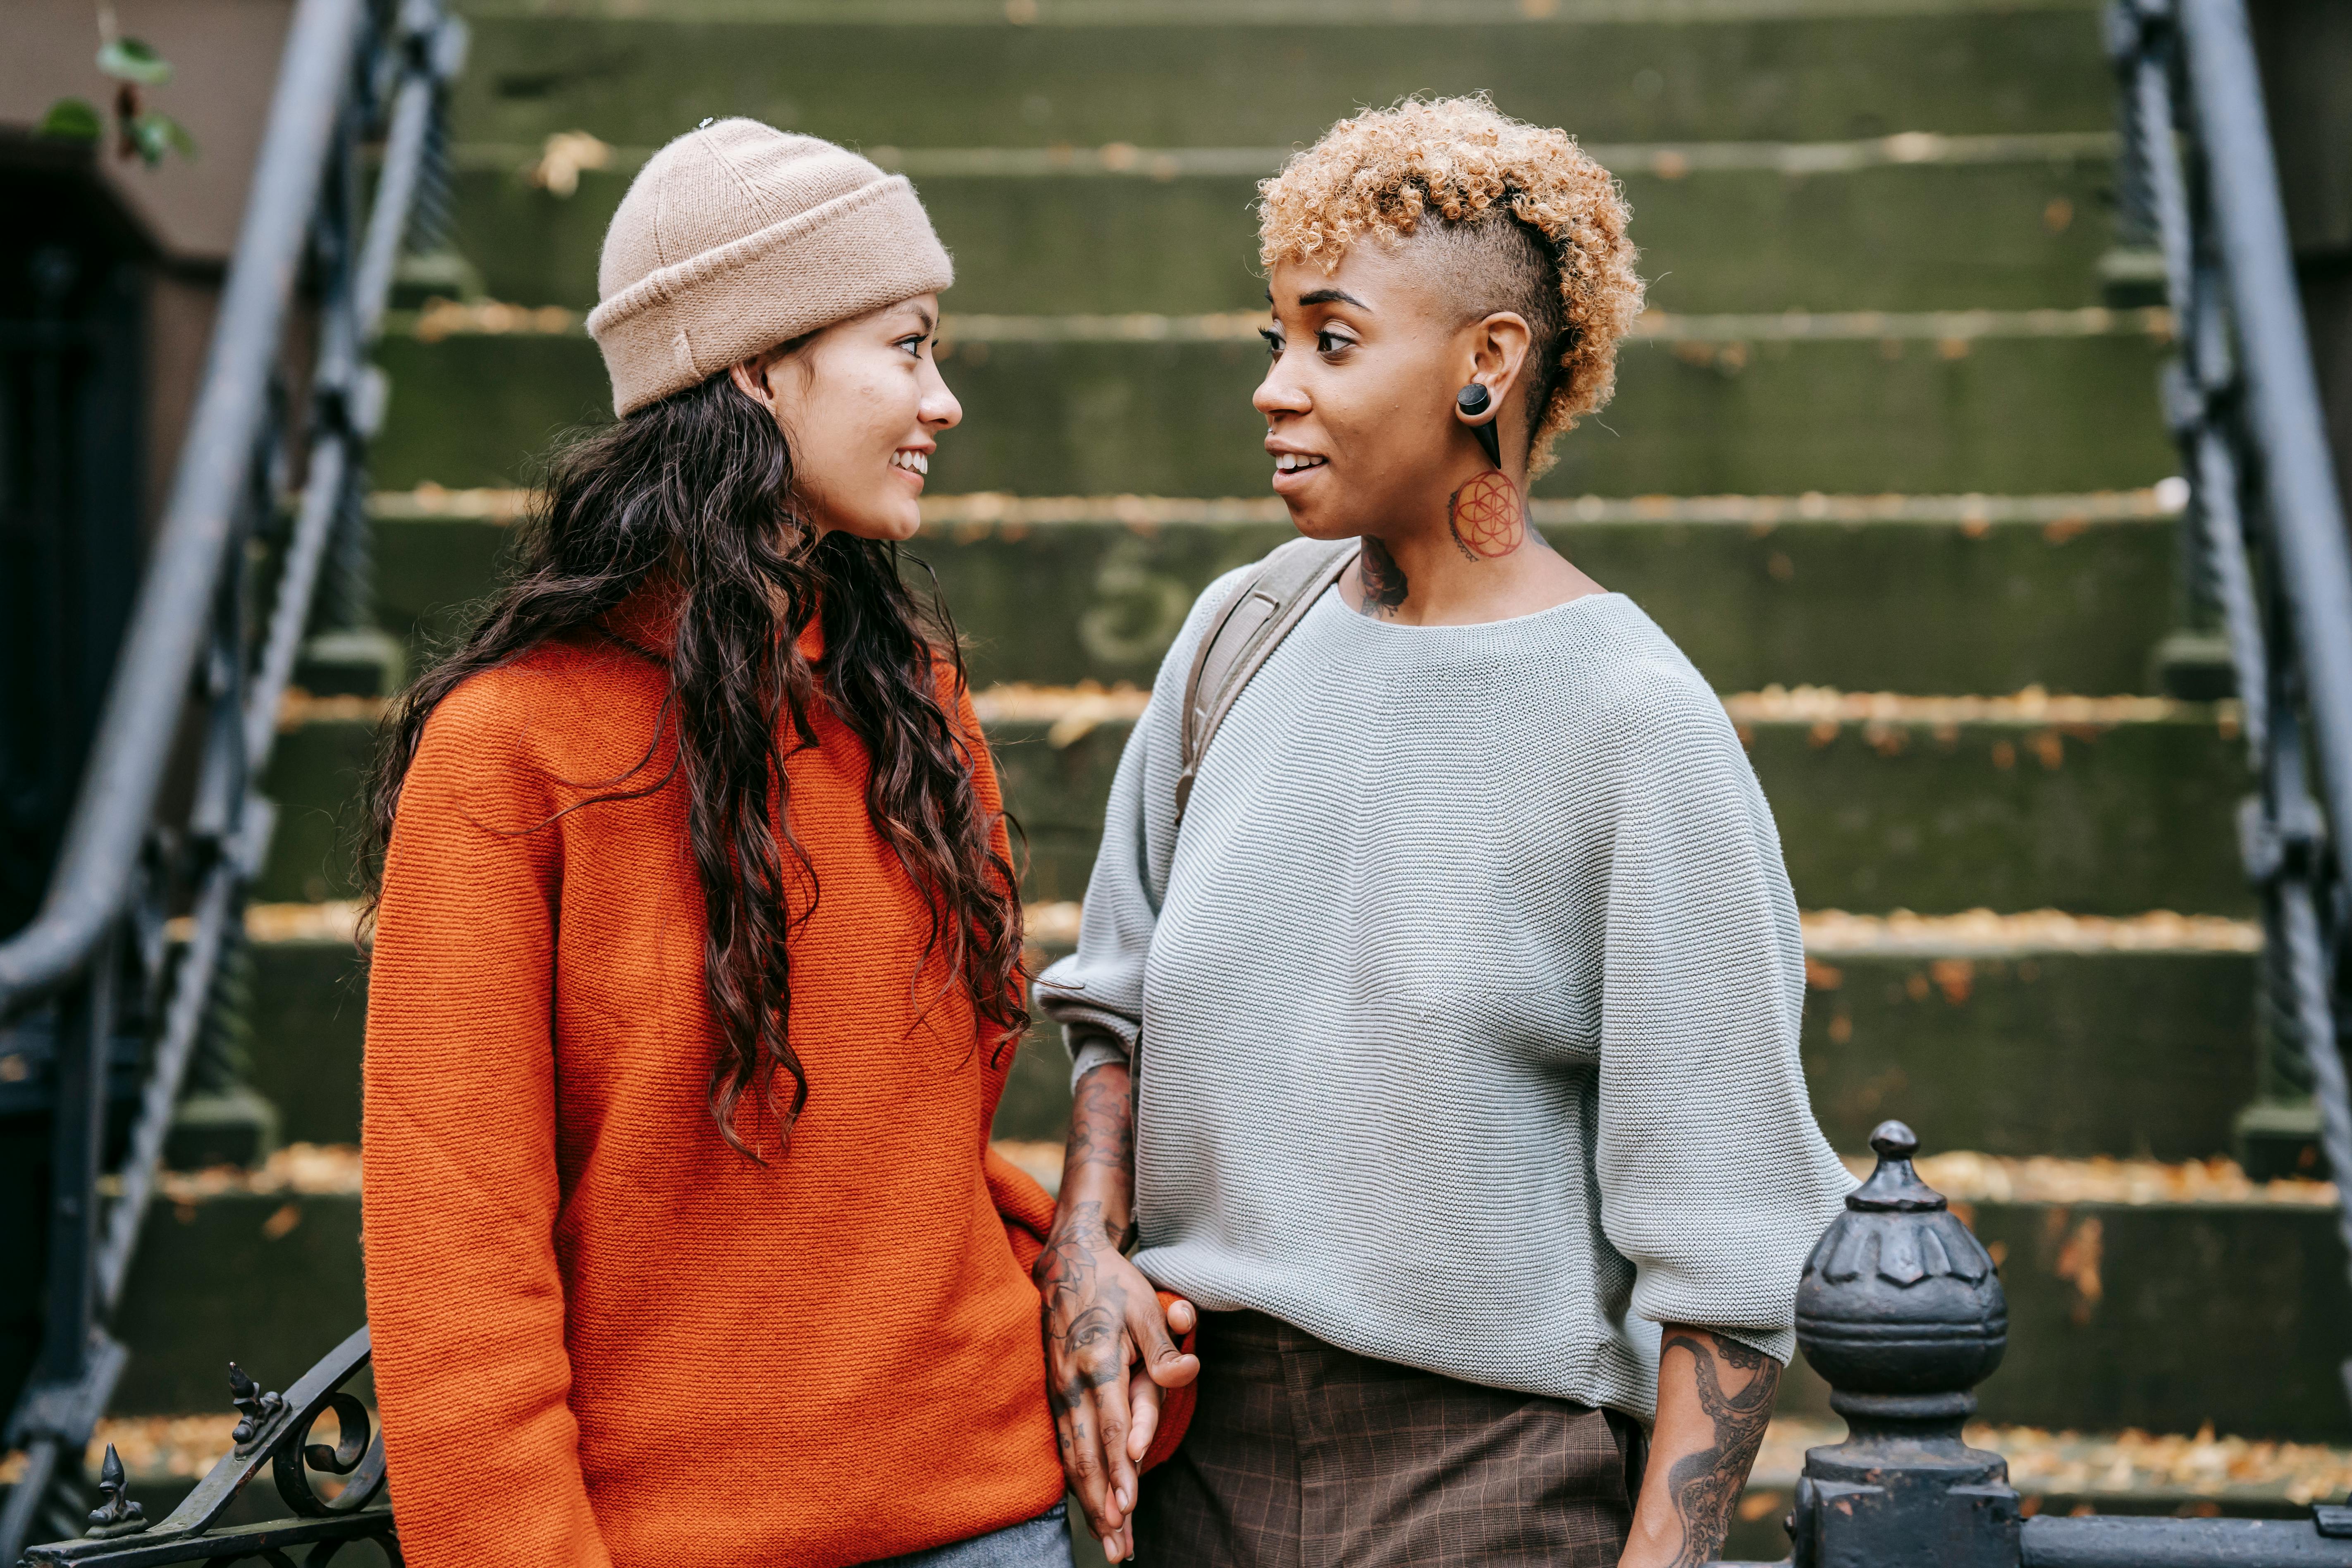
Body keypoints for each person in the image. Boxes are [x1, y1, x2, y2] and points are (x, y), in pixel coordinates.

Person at [1033, 96, 1855, 1567]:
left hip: (1485, 1487)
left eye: (1330, 341)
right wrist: (1083, 1249)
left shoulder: (1634, 722)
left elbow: (1728, 1259)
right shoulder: (1236, 638)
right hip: (1187, 1475)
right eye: (1273, 338)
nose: (1276, 388)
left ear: (1487, 364)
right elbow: (1115, 1006)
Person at [360, 119, 1073, 1568]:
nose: (939, 402)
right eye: (908, 346)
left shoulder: (912, 701)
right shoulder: (515, 750)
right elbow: (457, 1251)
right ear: (754, 364)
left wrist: (1032, 1273)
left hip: (990, 1520)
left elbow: (941, 1112)